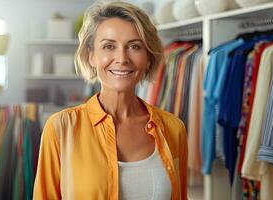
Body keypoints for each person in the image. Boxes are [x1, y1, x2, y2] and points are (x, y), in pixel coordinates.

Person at [33, 1, 188, 200]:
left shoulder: (174, 129)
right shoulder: (61, 128)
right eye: (108, 46)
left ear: (148, 57)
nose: (122, 58)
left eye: (134, 46)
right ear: (91, 56)